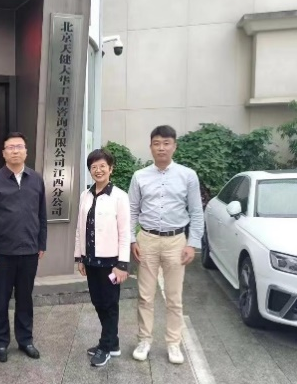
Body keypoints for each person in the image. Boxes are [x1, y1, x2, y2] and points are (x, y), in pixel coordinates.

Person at [128, 125, 204, 365]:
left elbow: (196, 212)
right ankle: (144, 340)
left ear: (174, 146)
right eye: (157, 143)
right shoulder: (140, 176)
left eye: (166, 143)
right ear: (150, 147)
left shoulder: (188, 175)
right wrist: (131, 239)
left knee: (174, 297)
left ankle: (173, 343)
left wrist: (192, 244)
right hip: (147, 240)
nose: (161, 148)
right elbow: (132, 210)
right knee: (145, 296)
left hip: (175, 241)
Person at [0, 132, 47, 363]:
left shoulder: (36, 179)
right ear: (4, 153)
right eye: (11, 147)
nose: (15, 151)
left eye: (19, 146)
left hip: (29, 250)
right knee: (1, 300)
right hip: (2, 253)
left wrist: (41, 243)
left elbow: (42, 215)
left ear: (26, 151)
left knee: (25, 299)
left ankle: (25, 340)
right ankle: (0, 342)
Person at [74, 149, 130, 367]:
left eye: (102, 166)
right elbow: (80, 228)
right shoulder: (85, 195)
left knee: (110, 304)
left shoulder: (119, 197)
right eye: (94, 167)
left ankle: (105, 347)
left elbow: (125, 233)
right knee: (98, 301)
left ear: (110, 169)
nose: (98, 170)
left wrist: (122, 264)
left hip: (111, 263)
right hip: (90, 260)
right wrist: (79, 257)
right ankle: (112, 343)